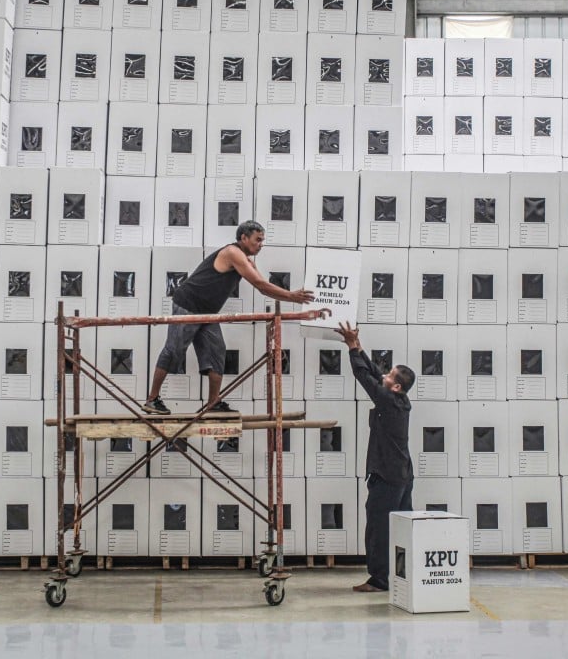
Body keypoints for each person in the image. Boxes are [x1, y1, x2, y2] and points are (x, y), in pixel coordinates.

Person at [143, 220, 315, 415]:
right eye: (257, 240)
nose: (261, 244)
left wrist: (293, 299)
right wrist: (292, 295)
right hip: (188, 304)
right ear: (243, 237)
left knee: (216, 350)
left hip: (207, 311)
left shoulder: (246, 259)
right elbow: (260, 284)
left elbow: (263, 287)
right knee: (174, 349)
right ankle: (152, 399)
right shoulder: (233, 253)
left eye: (262, 240)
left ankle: (213, 403)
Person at [334, 321, 416, 593]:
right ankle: (403, 574)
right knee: (402, 525)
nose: (385, 376)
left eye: (390, 376)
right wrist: (357, 345)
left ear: (396, 387)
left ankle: (380, 580)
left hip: (389, 476)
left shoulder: (389, 401)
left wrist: (350, 348)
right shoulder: (398, 399)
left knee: (379, 527)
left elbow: (364, 376)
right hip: (403, 474)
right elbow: (374, 373)